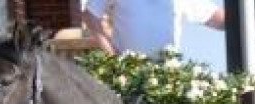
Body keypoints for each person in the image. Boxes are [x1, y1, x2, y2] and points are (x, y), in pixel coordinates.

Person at [82, 0, 225, 57]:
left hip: (166, 81)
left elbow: (221, 20)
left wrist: (244, 11)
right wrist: (112, 55)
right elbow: (91, 15)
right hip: (127, 77)